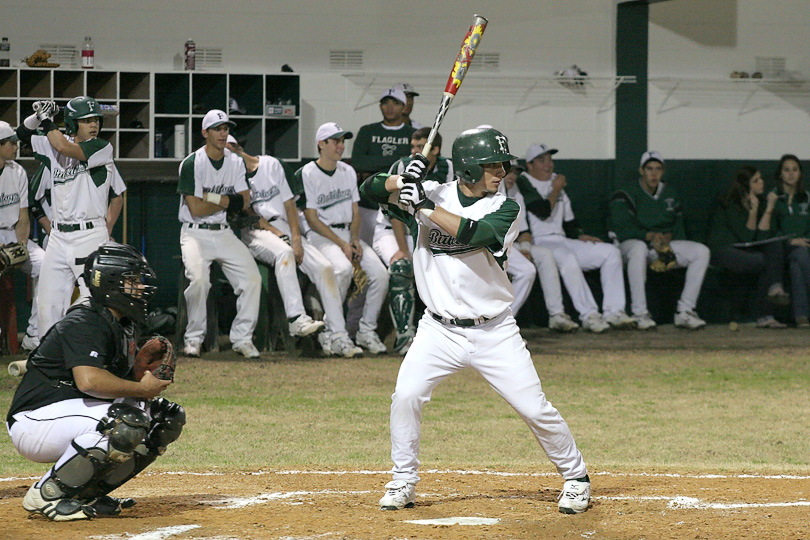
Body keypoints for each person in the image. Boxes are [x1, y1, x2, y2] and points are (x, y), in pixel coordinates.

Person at [360, 127, 591, 515]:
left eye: (502, 165)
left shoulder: (505, 207)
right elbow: (368, 189)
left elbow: (476, 234)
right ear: (468, 168)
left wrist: (423, 208)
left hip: (494, 330)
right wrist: (402, 179)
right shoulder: (431, 191)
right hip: (437, 330)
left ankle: (576, 477)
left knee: (534, 408)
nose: (501, 172)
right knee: (406, 396)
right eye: (492, 165)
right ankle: (403, 479)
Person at [5, 242, 184, 521]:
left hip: (70, 411)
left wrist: (137, 375)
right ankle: (47, 493)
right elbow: (89, 381)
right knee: (124, 422)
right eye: (132, 281)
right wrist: (141, 388)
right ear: (111, 283)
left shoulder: (123, 322)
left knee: (164, 419)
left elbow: (107, 384)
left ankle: (85, 493)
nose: (139, 288)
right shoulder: (85, 320)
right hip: (35, 420)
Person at [15, 97, 125, 339]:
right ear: (73, 124)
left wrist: (105, 229)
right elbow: (20, 135)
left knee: (94, 302)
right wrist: (38, 115)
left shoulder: (102, 147)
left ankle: (96, 358)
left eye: (95, 119)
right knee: (48, 304)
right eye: (86, 120)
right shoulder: (53, 143)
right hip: (58, 236)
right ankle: (50, 363)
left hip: (89, 234)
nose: (94, 124)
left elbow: (67, 149)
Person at [516, 143, 635, 332]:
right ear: (529, 165)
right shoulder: (524, 182)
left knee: (610, 252)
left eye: (550, 159)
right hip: (540, 241)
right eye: (541, 160)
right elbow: (542, 211)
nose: (548, 164)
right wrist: (555, 189)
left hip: (562, 239)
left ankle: (615, 311)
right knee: (567, 257)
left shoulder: (557, 182)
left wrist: (580, 235)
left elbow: (569, 221)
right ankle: (589, 315)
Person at [177, 109, 262, 358]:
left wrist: (212, 197)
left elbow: (244, 202)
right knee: (200, 281)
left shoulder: (235, 161)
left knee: (252, 280)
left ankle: (242, 338)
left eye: (225, 128)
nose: (223, 133)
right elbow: (195, 207)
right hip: (194, 233)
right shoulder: (192, 162)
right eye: (217, 129)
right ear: (205, 133)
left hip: (223, 231)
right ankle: (193, 339)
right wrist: (227, 200)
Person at [300, 122, 389, 354]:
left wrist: (354, 240)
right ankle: (334, 334)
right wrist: (342, 245)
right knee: (342, 269)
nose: (341, 146)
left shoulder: (347, 171)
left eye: (342, 141)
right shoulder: (308, 172)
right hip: (321, 235)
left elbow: (355, 211)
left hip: (347, 233)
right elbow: (311, 219)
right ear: (322, 144)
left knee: (380, 274)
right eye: (336, 141)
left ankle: (365, 330)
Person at [224, 135, 325, 339]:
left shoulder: (271, 164)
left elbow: (290, 204)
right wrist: (279, 234)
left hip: (285, 225)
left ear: (236, 148)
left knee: (324, 267)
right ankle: (296, 319)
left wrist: (296, 238)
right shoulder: (229, 178)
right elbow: (249, 215)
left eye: (227, 152)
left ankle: (332, 332)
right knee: (285, 253)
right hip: (256, 231)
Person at [608, 151, 709, 330]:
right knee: (638, 248)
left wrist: (668, 240)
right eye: (649, 169)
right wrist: (650, 236)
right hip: (629, 249)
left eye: (658, 169)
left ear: (663, 171)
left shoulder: (670, 193)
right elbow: (622, 229)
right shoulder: (626, 193)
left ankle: (685, 311)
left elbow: (678, 228)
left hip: (659, 248)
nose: (654, 174)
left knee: (701, 251)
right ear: (641, 170)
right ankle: (639, 313)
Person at [375, 128, 454, 354]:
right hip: (391, 228)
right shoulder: (402, 166)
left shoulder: (448, 168)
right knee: (402, 266)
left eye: (420, 147)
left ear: (435, 150)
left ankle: (446, 334)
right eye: (413, 147)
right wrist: (403, 249)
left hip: (425, 227)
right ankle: (404, 337)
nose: (414, 152)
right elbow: (395, 213)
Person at [707, 166, 790, 328]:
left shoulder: (761, 200)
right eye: (756, 181)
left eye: (761, 179)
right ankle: (764, 314)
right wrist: (753, 211)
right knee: (762, 260)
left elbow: (763, 237)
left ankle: (775, 288)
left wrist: (768, 209)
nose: (762, 183)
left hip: (744, 248)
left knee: (774, 244)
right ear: (746, 185)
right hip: (723, 249)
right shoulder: (730, 202)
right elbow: (746, 236)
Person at [503, 160, 579, 331]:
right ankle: (501, 322)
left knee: (544, 254)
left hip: (513, 246)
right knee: (525, 270)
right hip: (491, 244)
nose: (512, 176)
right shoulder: (489, 192)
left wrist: (526, 249)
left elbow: (524, 231)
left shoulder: (517, 194)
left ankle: (556, 314)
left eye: (515, 173)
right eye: (509, 172)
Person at [0, 120, 44, 349]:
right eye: (11, 143)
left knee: (45, 265)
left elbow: (23, 215)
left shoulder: (17, 171)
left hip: (11, 235)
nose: (16, 147)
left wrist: (21, 247)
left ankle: (34, 336)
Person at [351, 88, 416, 243]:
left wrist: (374, 163)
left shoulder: (412, 134)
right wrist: (397, 160)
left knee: (399, 254)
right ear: (380, 106)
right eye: (385, 103)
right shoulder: (367, 131)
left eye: (395, 103)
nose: (390, 107)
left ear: (404, 107)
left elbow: (412, 165)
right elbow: (358, 162)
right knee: (364, 252)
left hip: (398, 205)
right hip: (367, 203)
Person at [770, 154, 810, 326]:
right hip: (782, 248)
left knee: (796, 265)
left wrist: (805, 240)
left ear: (800, 173)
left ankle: (801, 316)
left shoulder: (807, 198)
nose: (791, 174)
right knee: (799, 254)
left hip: (805, 246)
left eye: (795, 170)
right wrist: (790, 241)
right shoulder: (774, 197)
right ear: (780, 174)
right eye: (786, 170)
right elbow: (771, 230)